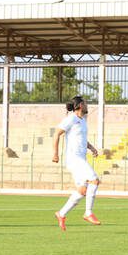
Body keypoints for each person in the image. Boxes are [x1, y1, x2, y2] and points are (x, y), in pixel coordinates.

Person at [52, 96, 101, 231]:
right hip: (74, 158)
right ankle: (88, 212)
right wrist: (55, 154)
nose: (87, 105)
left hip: (81, 158)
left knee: (82, 190)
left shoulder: (82, 120)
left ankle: (61, 214)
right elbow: (56, 133)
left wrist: (91, 148)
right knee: (94, 180)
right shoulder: (71, 119)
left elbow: (81, 139)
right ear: (79, 105)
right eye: (85, 103)